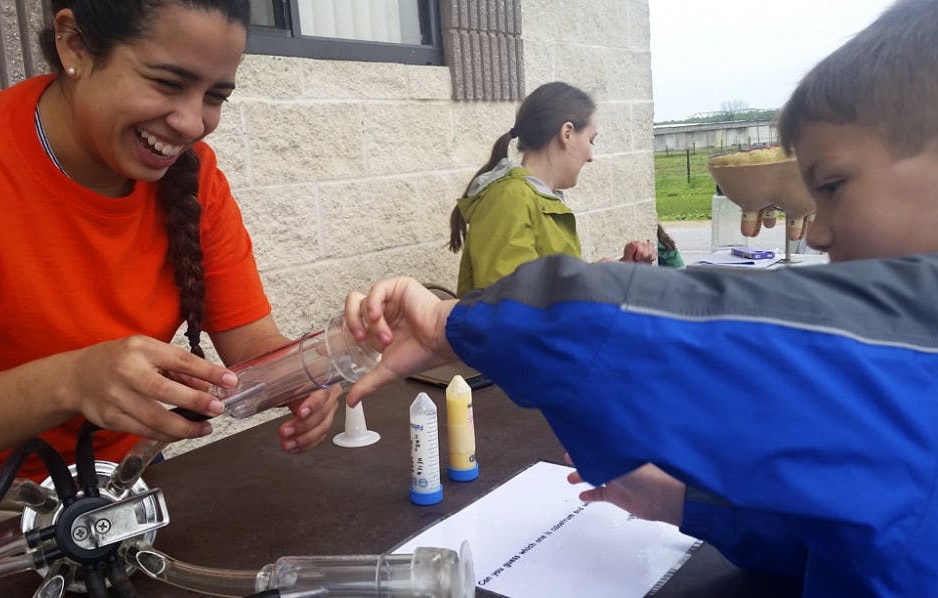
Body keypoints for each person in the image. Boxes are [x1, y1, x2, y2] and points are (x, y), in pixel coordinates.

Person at [343, 0, 938, 594]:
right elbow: (841, 532)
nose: (823, 229)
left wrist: (456, 323)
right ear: (566, 133)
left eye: (832, 185)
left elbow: (698, 330)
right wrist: (689, 505)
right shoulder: (510, 197)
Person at [0, 0, 339, 496]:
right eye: (168, 83)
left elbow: (250, 345)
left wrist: (303, 373)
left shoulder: (194, 178)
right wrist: (73, 381)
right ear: (74, 45)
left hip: (124, 482)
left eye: (215, 96)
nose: (192, 124)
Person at [448, 81, 656, 296]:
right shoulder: (510, 199)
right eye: (590, 140)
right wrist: (594, 280)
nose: (591, 156)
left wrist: (613, 272)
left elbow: (547, 289)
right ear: (567, 133)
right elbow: (510, 309)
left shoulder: (534, 198)